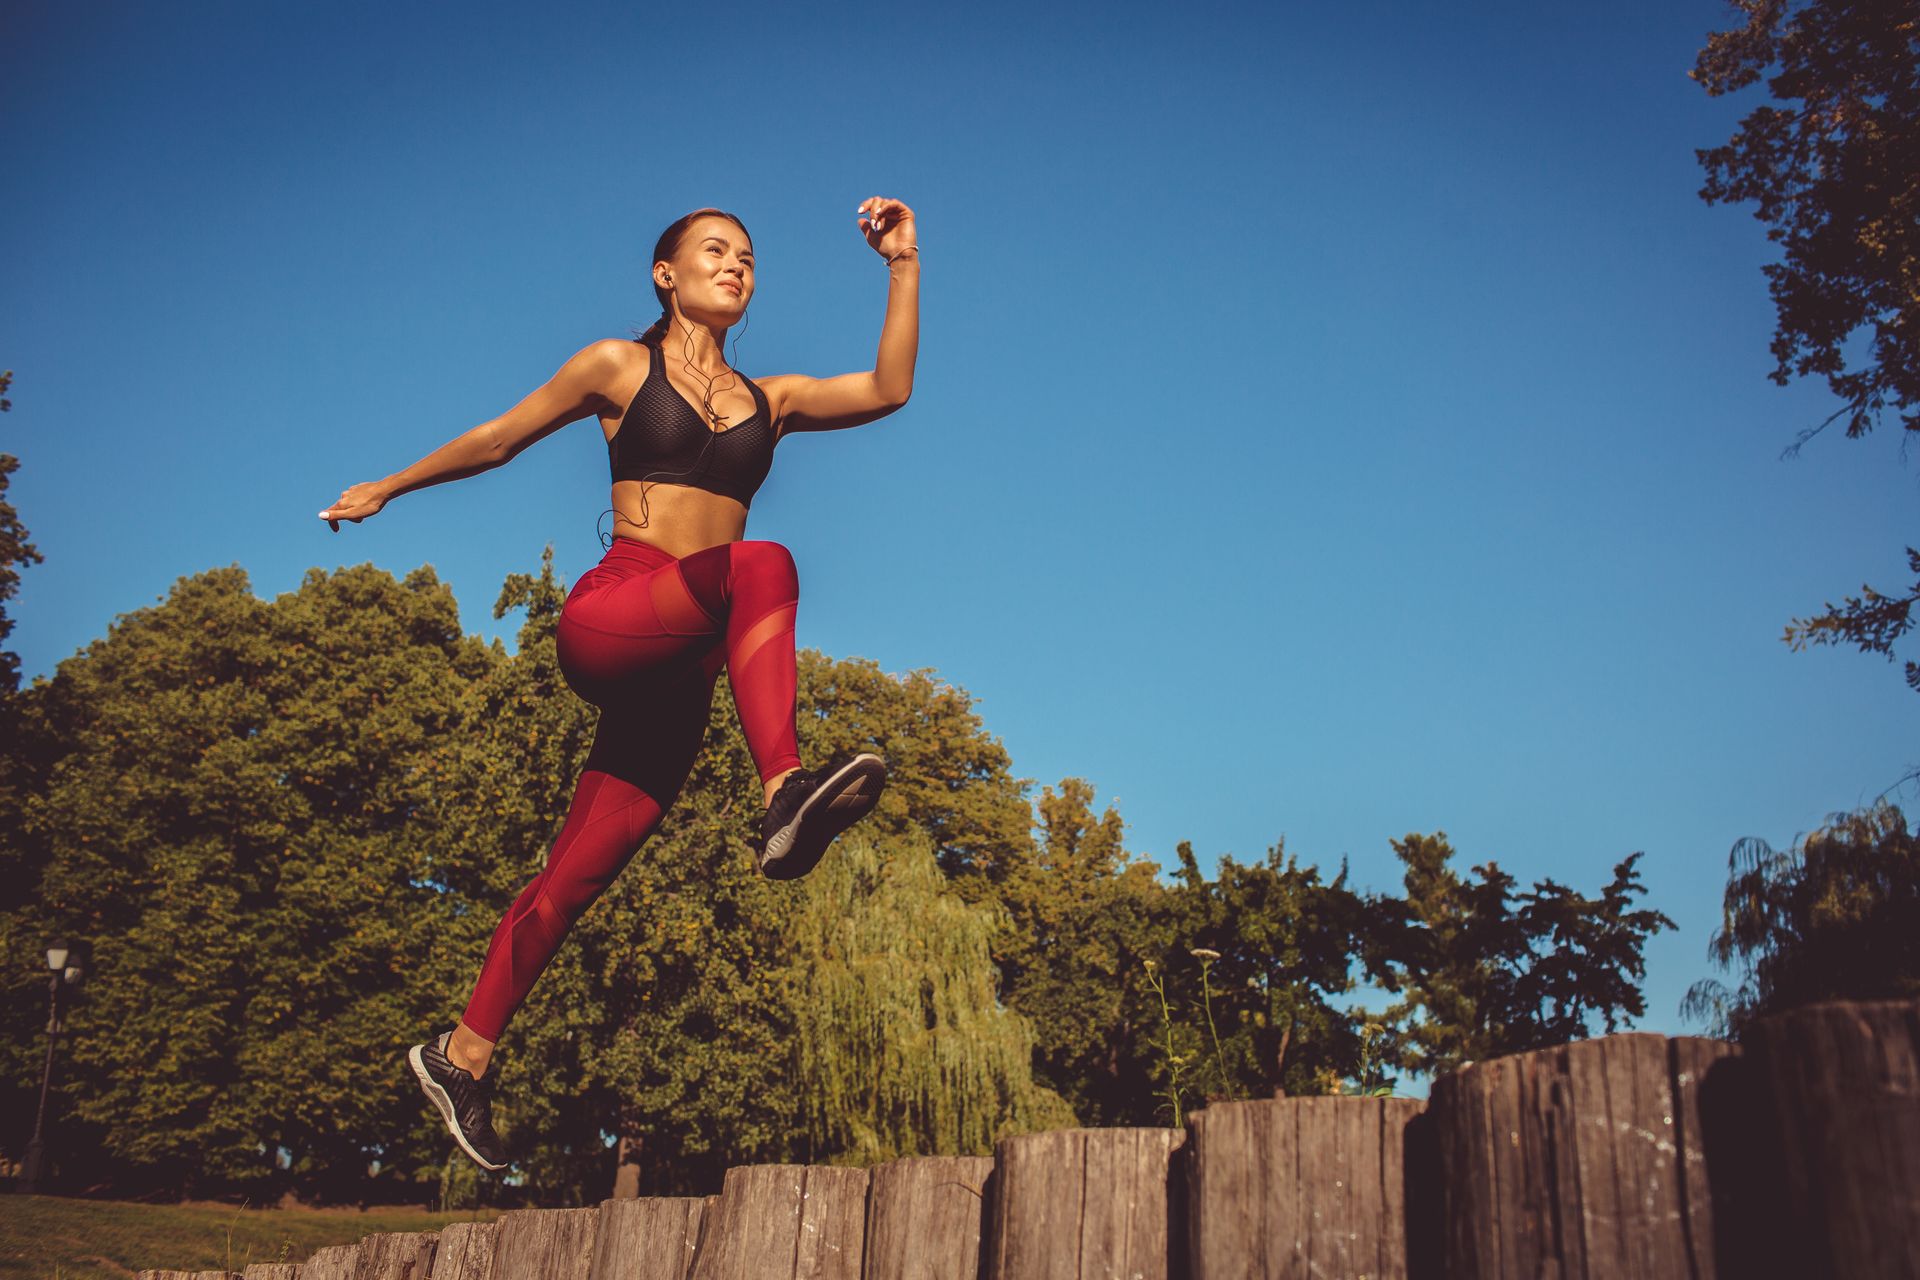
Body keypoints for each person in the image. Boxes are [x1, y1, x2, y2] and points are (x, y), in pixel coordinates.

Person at [317, 198, 919, 1172]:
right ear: (665, 274)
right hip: (616, 612)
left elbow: (890, 386)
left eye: (749, 259)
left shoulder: (776, 399)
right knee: (763, 563)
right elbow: (500, 437)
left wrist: (903, 263)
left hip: (679, 674)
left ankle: (460, 1052)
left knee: (573, 878)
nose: (737, 267)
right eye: (715, 251)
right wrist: (392, 483)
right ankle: (785, 794)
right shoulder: (618, 367)